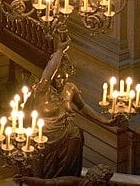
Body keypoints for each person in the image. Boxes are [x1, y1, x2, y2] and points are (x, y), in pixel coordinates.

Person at [25, 45, 118, 179]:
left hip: (68, 135)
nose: (61, 81)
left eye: (64, 77)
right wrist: (59, 51)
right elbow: (48, 72)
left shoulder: (70, 89)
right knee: (42, 176)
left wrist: (106, 121)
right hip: (44, 138)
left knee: (70, 162)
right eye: (57, 77)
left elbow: (83, 107)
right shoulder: (42, 90)